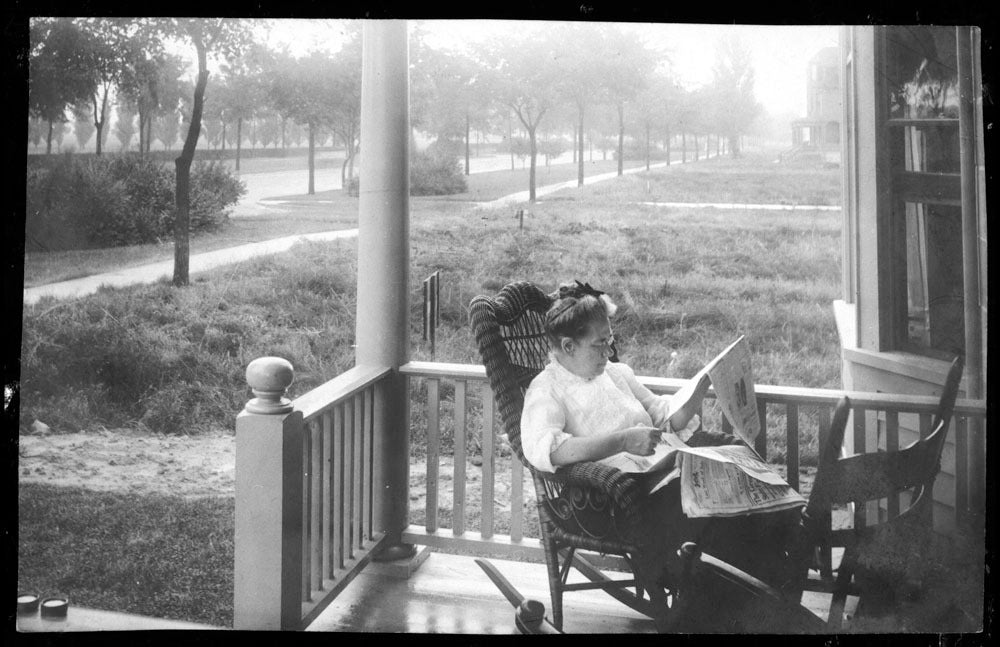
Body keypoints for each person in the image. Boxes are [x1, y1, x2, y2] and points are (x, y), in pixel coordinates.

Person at [520, 280, 802, 606]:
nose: (609, 351)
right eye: (599, 344)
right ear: (568, 346)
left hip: (662, 475)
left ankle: (765, 589)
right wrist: (623, 441)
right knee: (718, 518)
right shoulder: (547, 389)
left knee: (743, 477)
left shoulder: (615, 373)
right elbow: (547, 449)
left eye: (610, 340)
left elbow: (664, 417)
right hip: (613, 498)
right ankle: (736, 599)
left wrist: (703, 384)